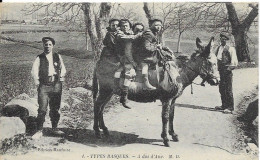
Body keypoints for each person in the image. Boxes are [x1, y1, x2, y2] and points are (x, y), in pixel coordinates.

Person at [31, 37, 66, 138]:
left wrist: (61, 78)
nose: (47, 46)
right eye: (45, 44)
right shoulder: (39, 57)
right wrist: (38, 83)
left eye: (49, 44)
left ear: (53, 46)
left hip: (56, 85)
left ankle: (54, 128)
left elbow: (63, 69)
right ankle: (39, 130)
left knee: (55, 108)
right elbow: (34, 71)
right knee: (42, 108)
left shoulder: (57, 56)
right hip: (44, 86)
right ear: (43, 45)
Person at [133, 19, 174, 90]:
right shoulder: (148, 34)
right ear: (151, 25)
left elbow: (156, 44)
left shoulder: (154, 33)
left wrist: (164, 48)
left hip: (150, 54)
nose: (158, 27)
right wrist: (157, 47)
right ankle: (146, 83)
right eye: (156, 25)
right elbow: (146, 47)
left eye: (159, 25)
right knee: (145, 66)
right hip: (143, 55)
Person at [114, 19, 142, 109]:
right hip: (121, 56)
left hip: (126, 56)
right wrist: (133, 63)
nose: (125, 27)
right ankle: (124, 97)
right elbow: (128, 52)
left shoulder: (130, 33)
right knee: (130, 72)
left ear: (130, 26)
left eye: (126, 26)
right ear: (120, 27)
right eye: (123, 26)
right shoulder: (120, 34)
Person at [215, 33, 238, 114]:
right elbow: (216, 59)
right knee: (221, 88)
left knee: (228, 89)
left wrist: (227, 69)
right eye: (221, 39)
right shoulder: (218, 48)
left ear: (226, 40)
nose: (222, 40)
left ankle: (230, 107)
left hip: (227, 71)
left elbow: (234, 63)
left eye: (224, 39)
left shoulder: (230, 49)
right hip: (220, 71)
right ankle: (224, 105)